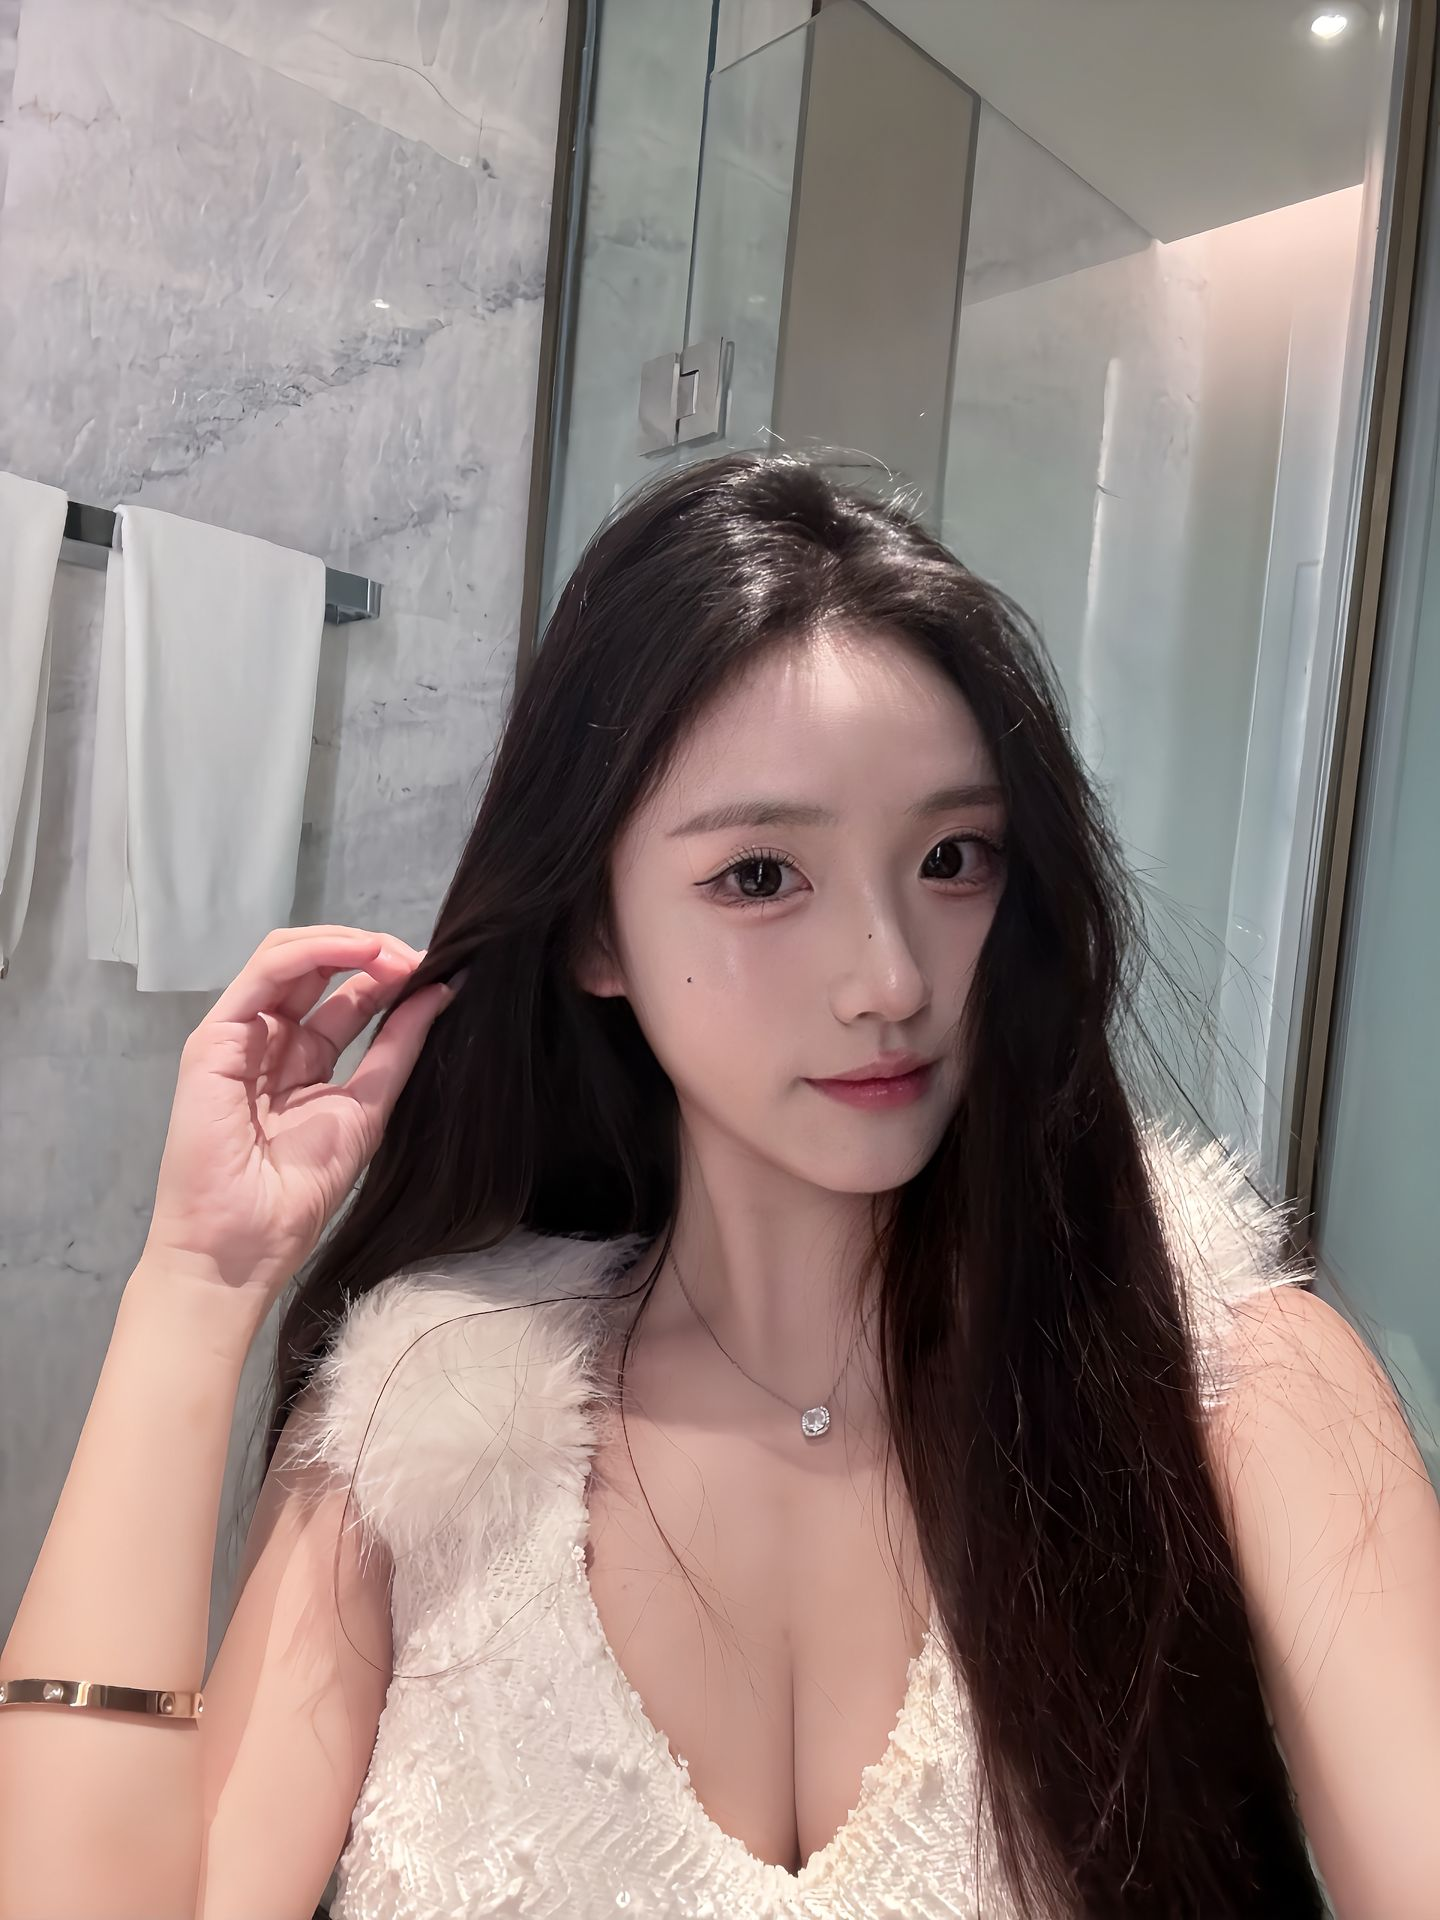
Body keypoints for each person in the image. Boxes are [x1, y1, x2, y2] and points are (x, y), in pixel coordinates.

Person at [3, 451, 1438, 1920]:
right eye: (761, 876)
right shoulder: (427, 1418)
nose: (890, 978)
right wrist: (196, 1287)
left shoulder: (1227, 1386)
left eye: (953, 858)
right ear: (595, 931)